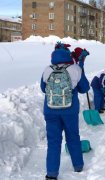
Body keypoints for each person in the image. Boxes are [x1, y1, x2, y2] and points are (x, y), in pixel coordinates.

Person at [40, 42, 90, 180]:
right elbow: (84, 88)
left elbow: (43, 89)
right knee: (73, 137)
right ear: (68, 55)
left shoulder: (47, 69)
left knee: (53, 141)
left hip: (50, 111)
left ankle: (51, 174)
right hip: (69, 111)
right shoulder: (75, 69)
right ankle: (78, 166)